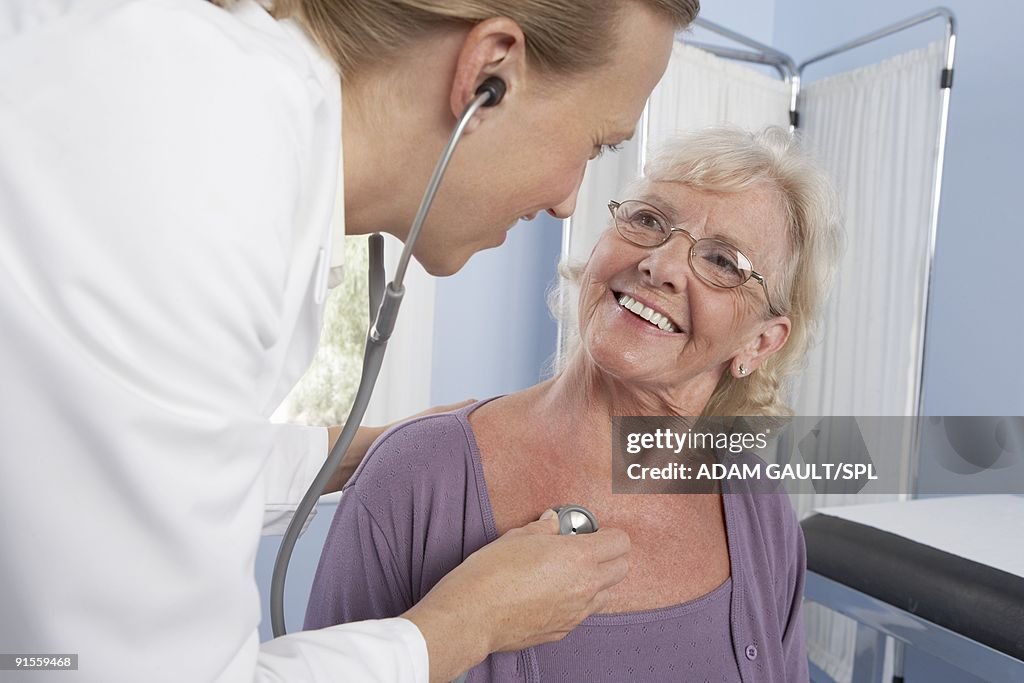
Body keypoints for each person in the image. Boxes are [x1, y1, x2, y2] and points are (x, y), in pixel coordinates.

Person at [0, 0, 702, 681]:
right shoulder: (194, 177)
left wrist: (366, 444)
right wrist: (466, 624)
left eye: (726, 264)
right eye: (596, 145)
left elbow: (159, 438)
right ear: (491, 74)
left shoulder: (225, 124)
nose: (567, 201)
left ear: (767, 339)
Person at [305, 126, 843, 681]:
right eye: (649, 220)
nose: (660, 265)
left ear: (759, 343)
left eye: (723, 261)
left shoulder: (759, 509)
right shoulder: (419, 476)